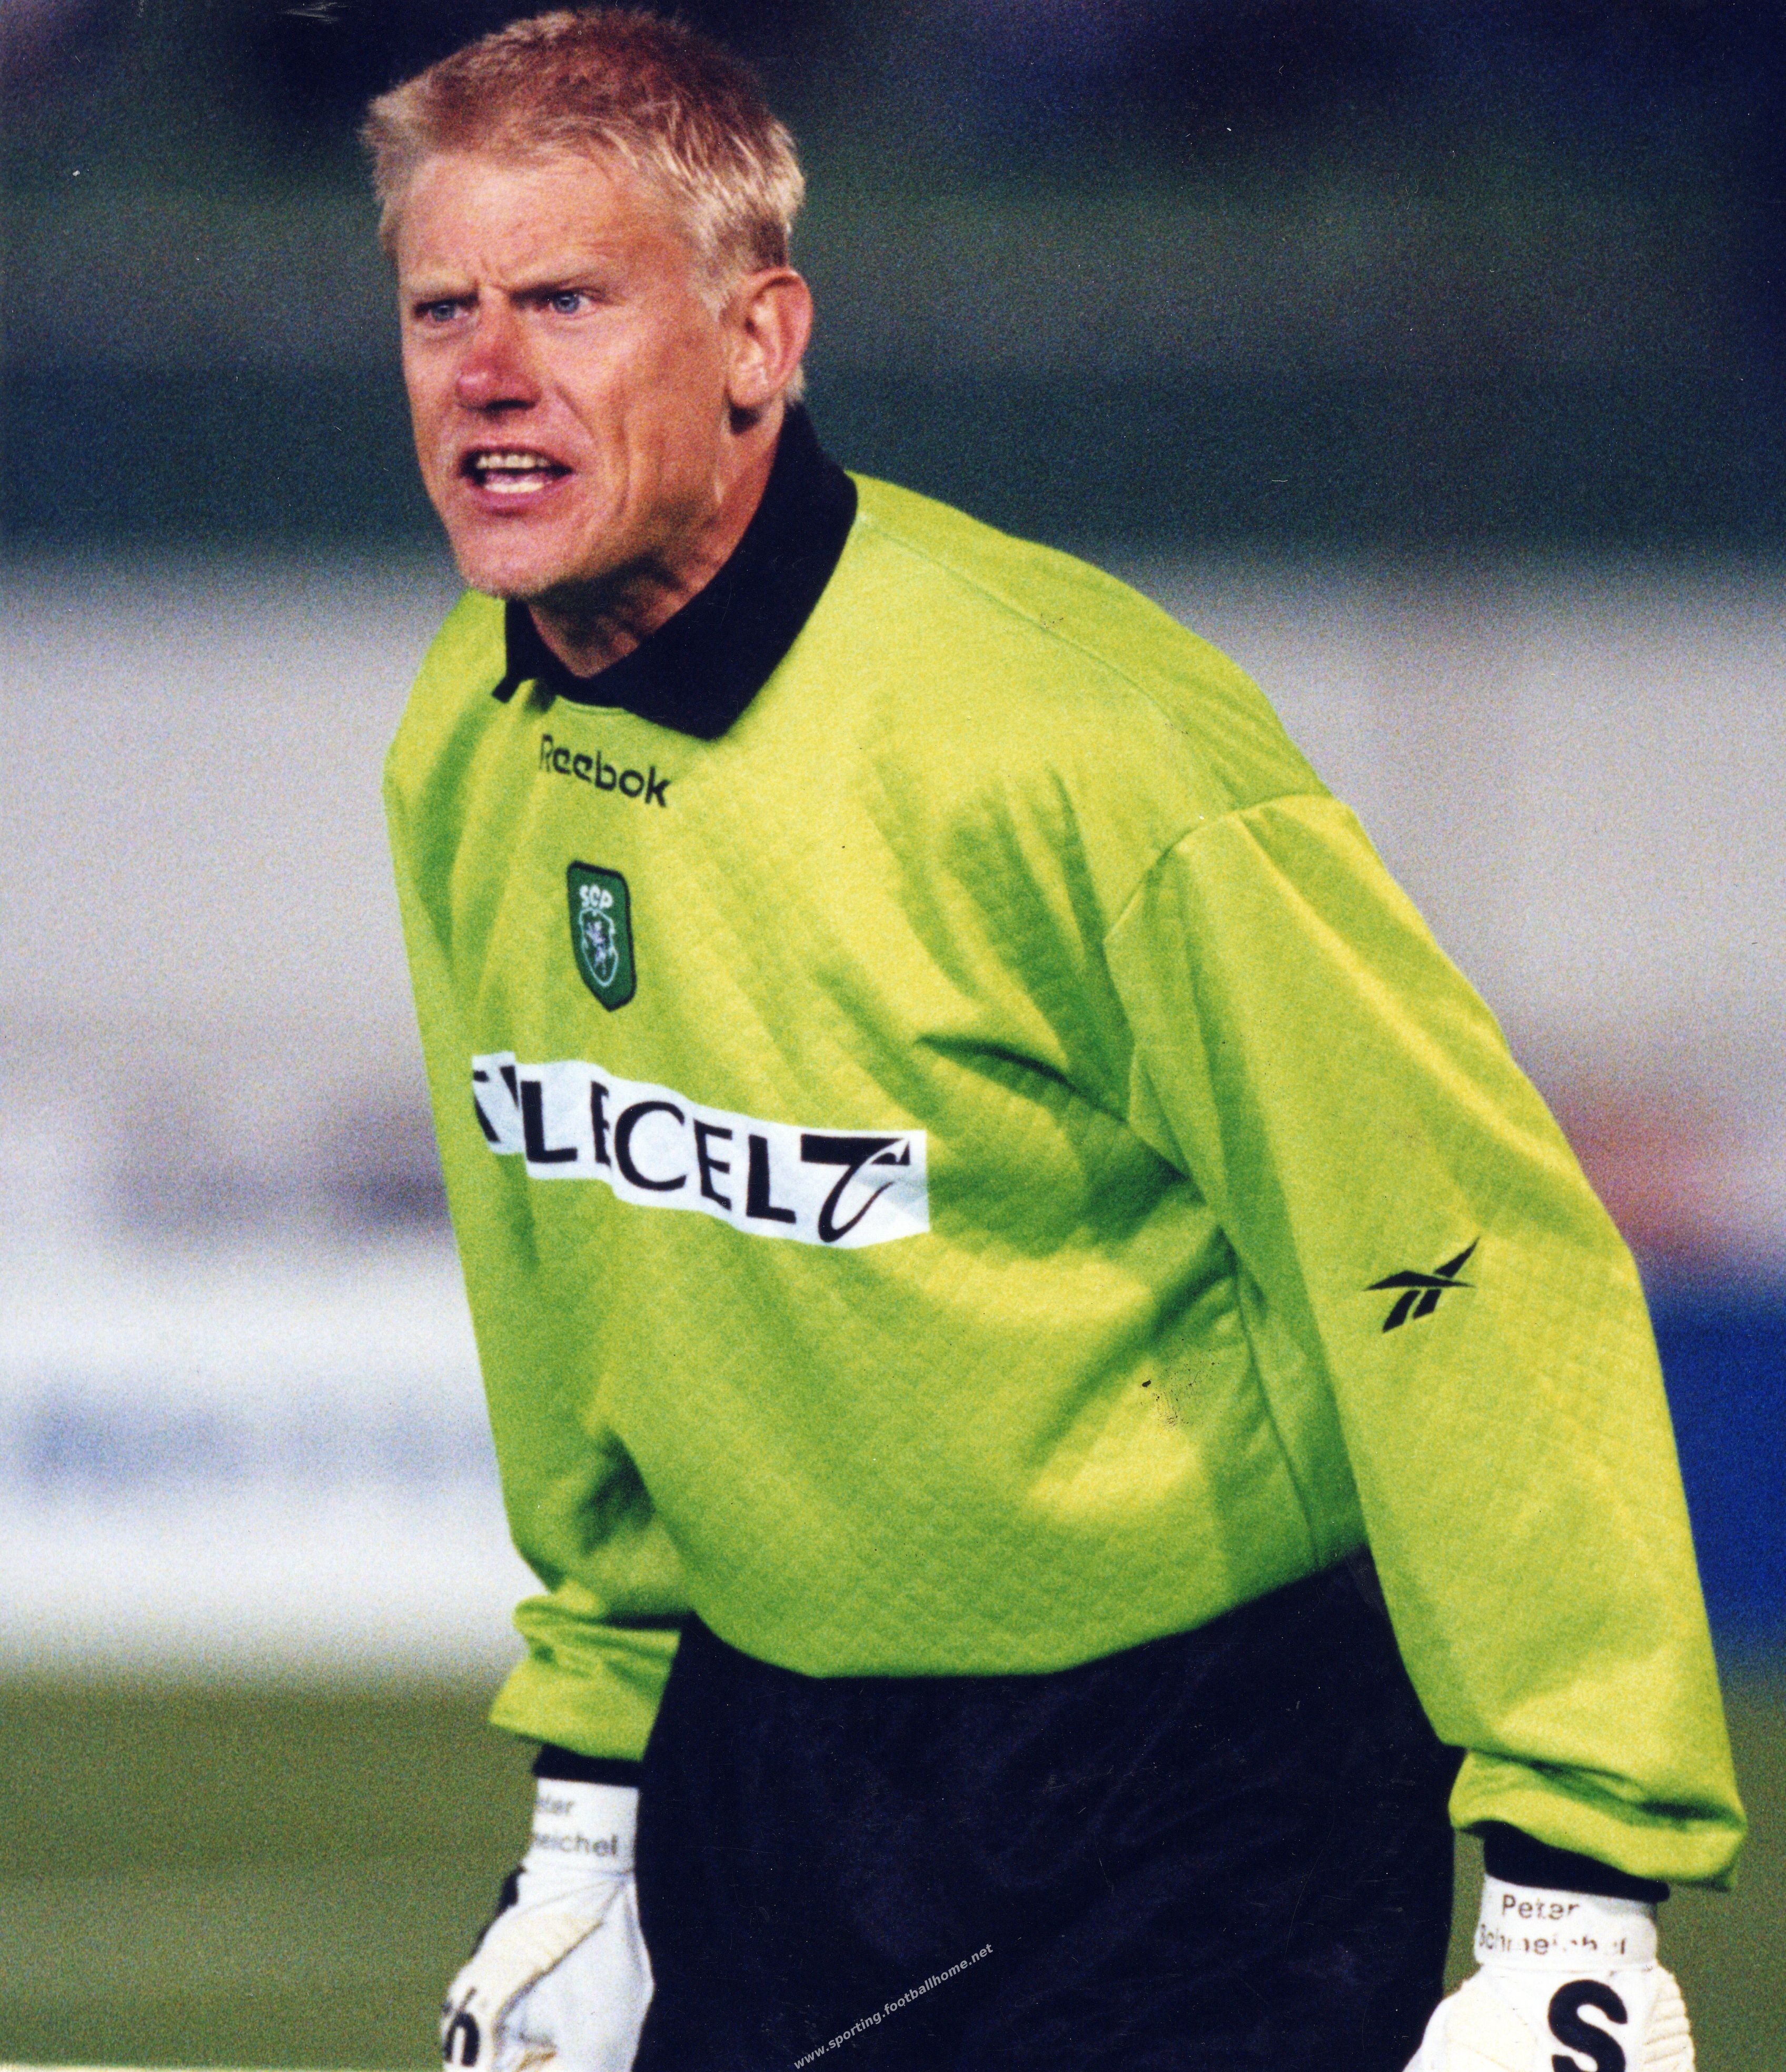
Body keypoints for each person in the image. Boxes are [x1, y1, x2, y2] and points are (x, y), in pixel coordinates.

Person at [364, 12, 1744, 2070]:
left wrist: (1579, 1889)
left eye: (566, 299)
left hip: (1201, 1784)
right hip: (769, 1774)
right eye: (439, 309)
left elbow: (1460, 1262)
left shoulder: (1077, 750)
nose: (487, 371)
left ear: (758, 341)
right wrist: (587, 1812)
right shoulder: (463, 745)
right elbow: (574, 1290)